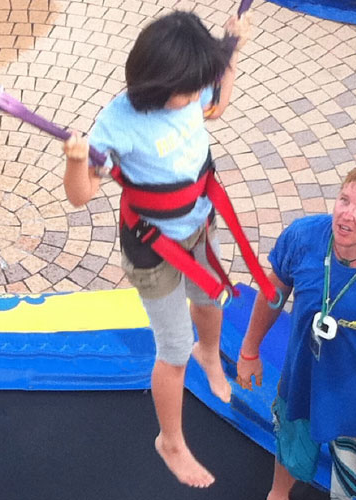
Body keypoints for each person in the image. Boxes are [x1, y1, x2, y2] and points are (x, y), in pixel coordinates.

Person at [61, 10, 250, 488]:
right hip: (153, 248)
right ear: (160, 85)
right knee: (174, 347)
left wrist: (231, 49)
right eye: (189, 89)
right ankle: (171, 441)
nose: (196, 95)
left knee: (210, 299)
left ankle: (211, 353)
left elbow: (217, 102)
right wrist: (77, 161)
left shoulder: (190, 88)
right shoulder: (117, 124)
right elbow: (81, 195)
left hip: (199, 225)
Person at [237, 159, 356, 499]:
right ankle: (278, 495)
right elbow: (274, 291)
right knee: (289, 447)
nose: (346, 215)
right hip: (300, 383)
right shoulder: (304, 236)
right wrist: (249, 350)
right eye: (344, 200)